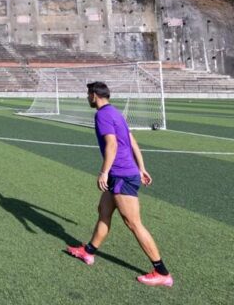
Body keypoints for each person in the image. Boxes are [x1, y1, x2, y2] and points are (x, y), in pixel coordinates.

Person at [66, 81, 174, 287]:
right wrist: (141, 167)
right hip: (123, 173)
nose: (87, 98)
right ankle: (88, 252)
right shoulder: (116, 113)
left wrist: (104, 172)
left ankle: (162, 272)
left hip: (121, 174)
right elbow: (132, 141)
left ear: (94, 95)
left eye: (88, 94)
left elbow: (112, 144)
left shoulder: (103, 115)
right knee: (103, 211)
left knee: (133, 223)